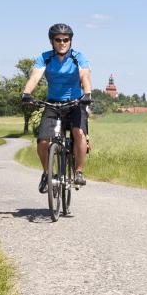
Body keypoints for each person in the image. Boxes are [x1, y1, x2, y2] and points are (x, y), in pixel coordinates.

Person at [21, 23, 93, 193]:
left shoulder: (78, 57)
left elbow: (85, 74)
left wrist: (87, 94)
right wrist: (26, 93)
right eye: (58, 40)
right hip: (53, 104)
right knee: (43, 141)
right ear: (52, 41)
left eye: (66, 40)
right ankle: (47, 173)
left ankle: (79, 171)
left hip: (75, 104)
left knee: (79, 133)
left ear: (70, 41)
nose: (62, 43)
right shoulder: (45, 58)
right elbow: (35, 76)